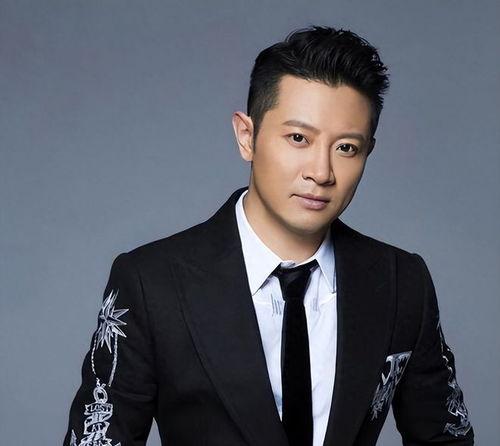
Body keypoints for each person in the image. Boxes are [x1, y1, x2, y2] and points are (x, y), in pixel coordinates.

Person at [63, 25, 474, 446]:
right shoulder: (150, 283)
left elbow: (446, 437)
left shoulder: (402, 283)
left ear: (368, 150)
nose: (321, 172)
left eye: (346, 148)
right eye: (298, 138)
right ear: (247, 137)